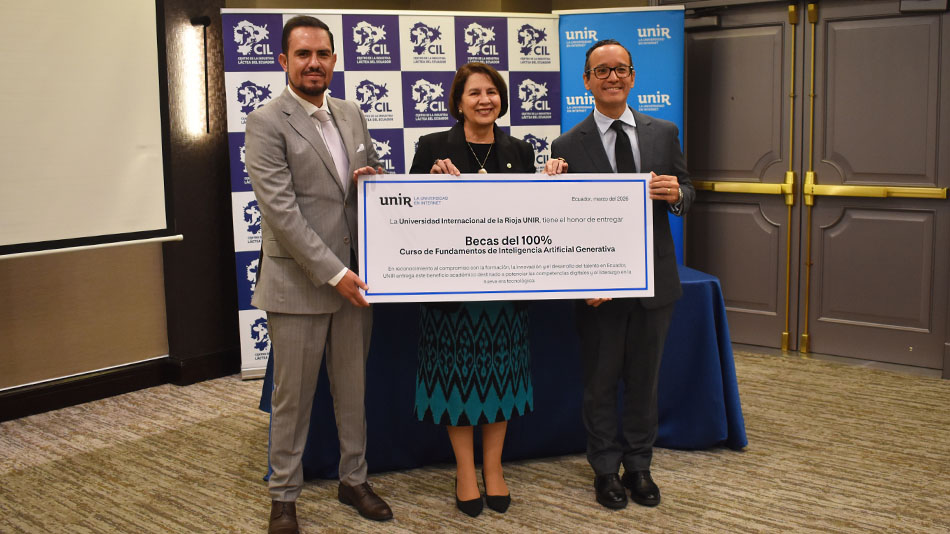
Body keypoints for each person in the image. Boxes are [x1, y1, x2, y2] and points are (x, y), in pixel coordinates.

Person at [244, 15, 391, 534]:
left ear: (334, 59)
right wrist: (335, 274)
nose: (314, 63)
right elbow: (281, 214)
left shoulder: (351, 113)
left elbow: (368, 183)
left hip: (357, 281)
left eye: (322, 54)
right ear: (284, 61)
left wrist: (374, 183)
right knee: (293, 398)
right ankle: (284, 495)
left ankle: (354, 479)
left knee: (353, 391)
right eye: (303, 54)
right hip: (300, 285)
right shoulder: (266, 121)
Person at [545, 39, 695, 510]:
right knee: (601, 382)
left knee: (645, 380)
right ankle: (606, 470)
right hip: (601, 288)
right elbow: (563, 218)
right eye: (601, 70)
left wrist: (677, 195)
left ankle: (640, 466)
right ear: (586, 81)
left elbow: (689, 190)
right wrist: (549, 183)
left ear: (632, 78)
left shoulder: (663, 132)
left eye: (621, 69)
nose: (612, 77)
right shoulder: (567, 144)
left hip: (655, 281)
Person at [408, 62, 535, 517]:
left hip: (504, 290)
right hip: (451, 292)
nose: (485, 100)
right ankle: (466, 471)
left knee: (500, 378)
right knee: (456, 380)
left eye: (492, 92)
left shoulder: (519, 151)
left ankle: (494, 468)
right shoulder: (431, 148)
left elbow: (534, 217)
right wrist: (427, 184)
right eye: (475, 93)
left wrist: (554, 182)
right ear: (458, 102)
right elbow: (408, 220)